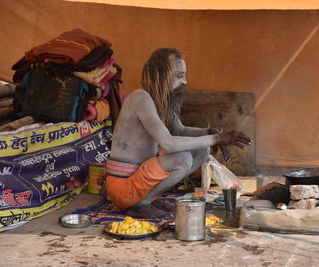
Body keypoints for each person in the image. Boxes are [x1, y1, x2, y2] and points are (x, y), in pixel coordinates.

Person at [105, 48, 252, 219]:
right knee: (183, 159)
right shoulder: (141, 98)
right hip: (122, 188)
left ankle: (148, 198)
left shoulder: (161, 102)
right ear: (159, 75)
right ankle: (140, 204)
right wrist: (217, 138)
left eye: (184, 75)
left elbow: (180, 130)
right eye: (178, 76)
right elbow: (169, 143)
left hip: (138, 181)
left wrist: (208, 132)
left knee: (202, 151)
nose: (184, 81)